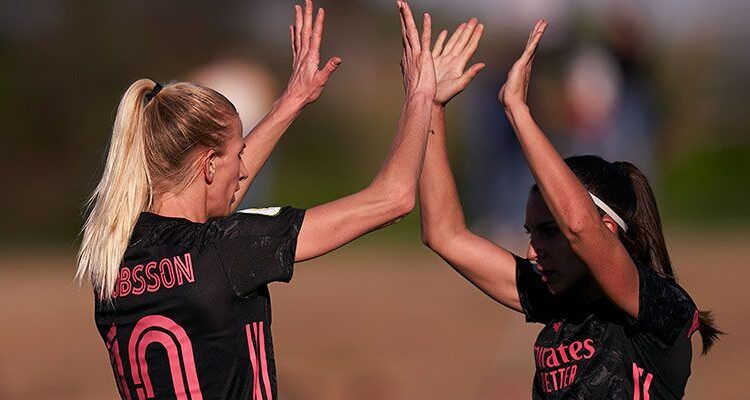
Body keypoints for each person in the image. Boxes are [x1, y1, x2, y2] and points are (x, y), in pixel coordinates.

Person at [75, 1, 436, 398]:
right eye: (236, 156)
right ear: (209, 165)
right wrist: (421, 95)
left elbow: (205, 225)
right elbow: (393, 198)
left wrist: (293, 99)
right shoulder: (227, 251)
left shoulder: (112, 259)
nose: (245, 170)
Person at [419, 19, 721, 399]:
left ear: (608, 228)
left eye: (548, 230)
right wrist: (430, 105)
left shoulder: (656, 307)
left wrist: (517, 110)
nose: (532, 250)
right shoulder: (559, 297)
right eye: (532, 232)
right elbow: (443, 234)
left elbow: (580, 228)